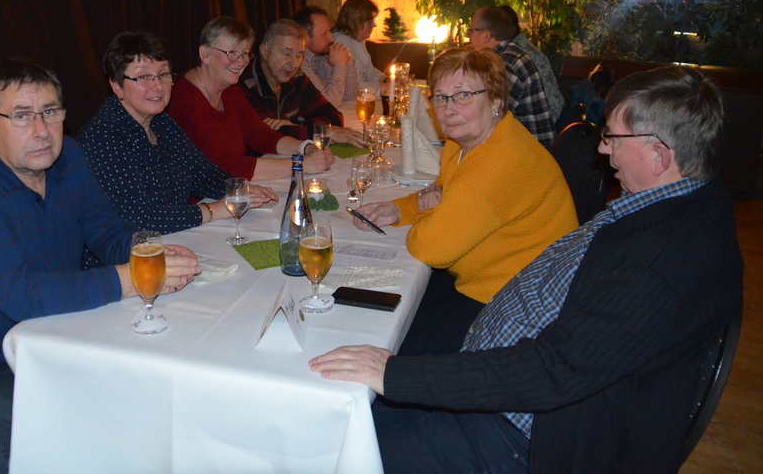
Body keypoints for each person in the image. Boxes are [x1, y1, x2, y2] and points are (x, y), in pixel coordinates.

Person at [311, 66, 743, 474]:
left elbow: (553, 372)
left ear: (659, 155)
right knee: (346, 405)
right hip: (501, 384)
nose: (602, 148)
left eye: (613, 137)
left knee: (333, 445)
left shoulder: (662, 261)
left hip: (524, 436)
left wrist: (395, 374)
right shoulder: (671, 207)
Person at [0, 60, 201, 473]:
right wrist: (131, 278)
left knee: (143, 407)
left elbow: (104, 230)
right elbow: (23, 296)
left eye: (50, 112)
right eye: (21, 116)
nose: (41, 131)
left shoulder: (68, 156)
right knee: (41, 451)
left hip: (48, 331)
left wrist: (146, 252)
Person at [350, 48, 577, 354]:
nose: (448, 109)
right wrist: (397, 209)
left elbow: (431, 249)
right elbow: (444, 193)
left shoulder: (499, 160)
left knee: (387, 337)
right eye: (440, 97)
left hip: (510, 305)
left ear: (495, 101)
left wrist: (428, 214)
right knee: (380, 298)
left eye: (464, 95)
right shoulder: (465, 143)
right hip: (489, 280)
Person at [78, 32, 276, 233]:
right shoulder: (103, 138)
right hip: (132, 248)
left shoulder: (162, 122)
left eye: (163, 74)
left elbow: (201, 173)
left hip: (173, 237)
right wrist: (215, 209)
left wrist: (238, 189)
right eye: (144, 77)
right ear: (117, 85)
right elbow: (138, 218)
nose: (158, 86)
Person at [168, 17, 334, 181]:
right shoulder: (186, 100)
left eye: (245, 54)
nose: (241, 62)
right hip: (202, 194)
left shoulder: (229, 89)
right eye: (232, 53)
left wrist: (306, 147)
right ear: (205, 54)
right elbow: (227, 167)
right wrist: (301, 164)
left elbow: (260, 135)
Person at [240, 18, 363, 146]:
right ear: (265, 51)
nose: (294, 64)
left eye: (299, 56)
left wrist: (295, 126)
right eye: (286, 54)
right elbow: (262, 135)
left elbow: (334, 116)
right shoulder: (244, 84)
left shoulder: (297, 78)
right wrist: (323, 131)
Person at [467, 5, 557, 147]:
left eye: (471, 31)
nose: (468, 37)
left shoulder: (507, 63)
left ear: (486, 35)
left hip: (531, 151)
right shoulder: (508, 54)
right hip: (521, 145)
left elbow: (490, 116)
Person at [500, 4, 566, 125]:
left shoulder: (513, 55)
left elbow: (500, 109)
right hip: (556, 115)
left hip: (549, 121)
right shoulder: (522, 45)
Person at [292, 5, 359, 107]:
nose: (332, 39)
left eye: (330, 32)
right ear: (304, 36)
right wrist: (339, 65)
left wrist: (348, 61)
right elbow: (327, 104)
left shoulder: (320, 58)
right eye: (324, 34)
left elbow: (350, 98)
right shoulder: (299, 64)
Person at [332, 0, 387, 88]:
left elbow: (368, 71)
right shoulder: (340, 44)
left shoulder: (357, 40)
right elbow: (351, 87)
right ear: (357, 21)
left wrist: (385, 79)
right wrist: (386, 87)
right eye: (370, 21)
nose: (374, 25)